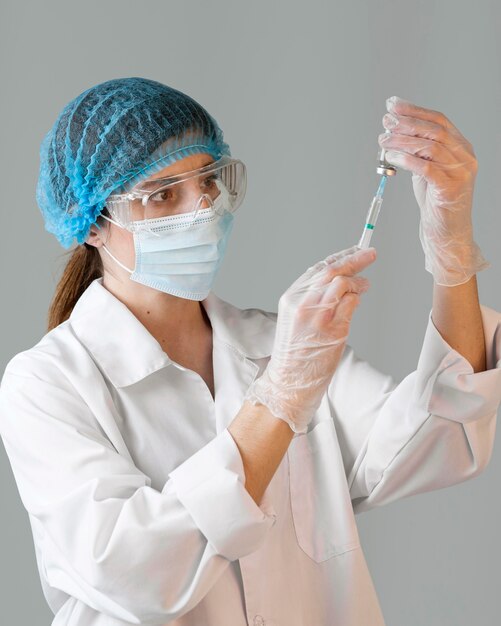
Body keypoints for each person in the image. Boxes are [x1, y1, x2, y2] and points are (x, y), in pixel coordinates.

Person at [0, 78, 500, 626]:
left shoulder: (279, 345)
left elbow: (443, 441)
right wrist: (280, 398)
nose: (203, 207)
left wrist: (451, 251)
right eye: (164, 194)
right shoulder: (46, 385)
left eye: (209, 180)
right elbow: (135, 574)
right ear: (93, 222)